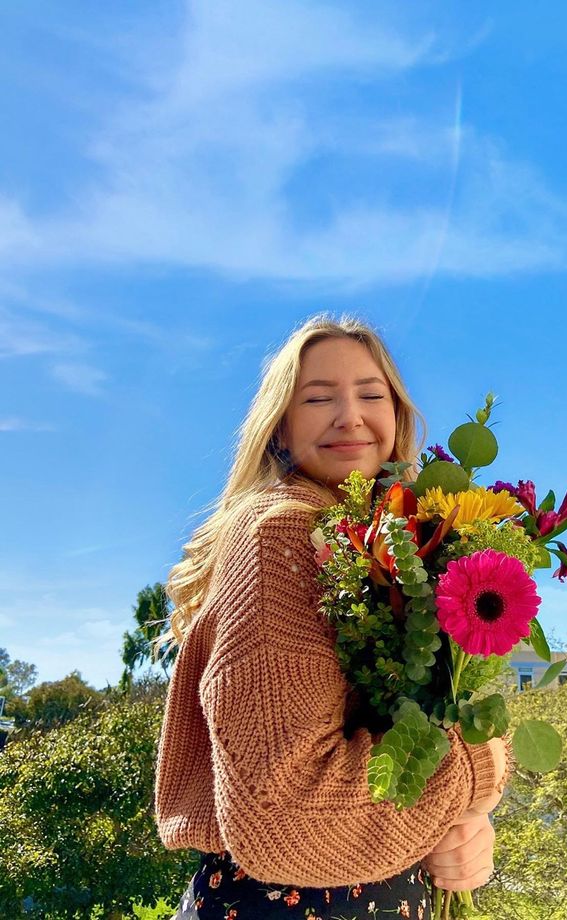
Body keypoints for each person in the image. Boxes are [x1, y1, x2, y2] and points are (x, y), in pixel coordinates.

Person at [154, 314, 511, 920]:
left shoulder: (398, 537)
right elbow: (287, 812)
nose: (350, 416)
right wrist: (477, 767)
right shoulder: (283, 533)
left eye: (372, 394)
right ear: (280, 432)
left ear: (396, 416)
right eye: (318, 398)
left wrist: (465, 828)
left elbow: (438, 716)